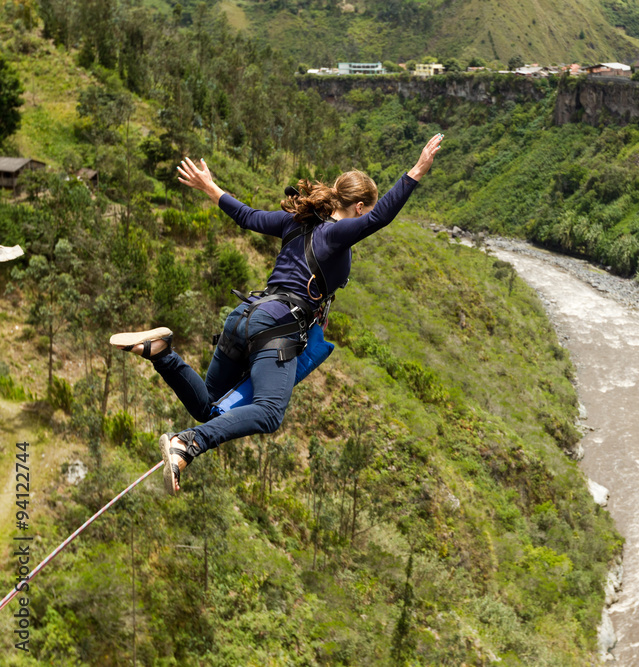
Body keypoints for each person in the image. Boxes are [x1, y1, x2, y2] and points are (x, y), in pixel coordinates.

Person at [110, 134, 443, 495]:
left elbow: (247, 217)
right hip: (276, 327)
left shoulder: (295, 222)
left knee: (209, 408)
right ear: (358, 206)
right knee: (269, 413)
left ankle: (161, 352)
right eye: (365, 210)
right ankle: (187, 444)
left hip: (243, 316)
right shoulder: (339, 233)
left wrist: (210, 186)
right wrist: (417, 170)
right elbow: (381, 218)